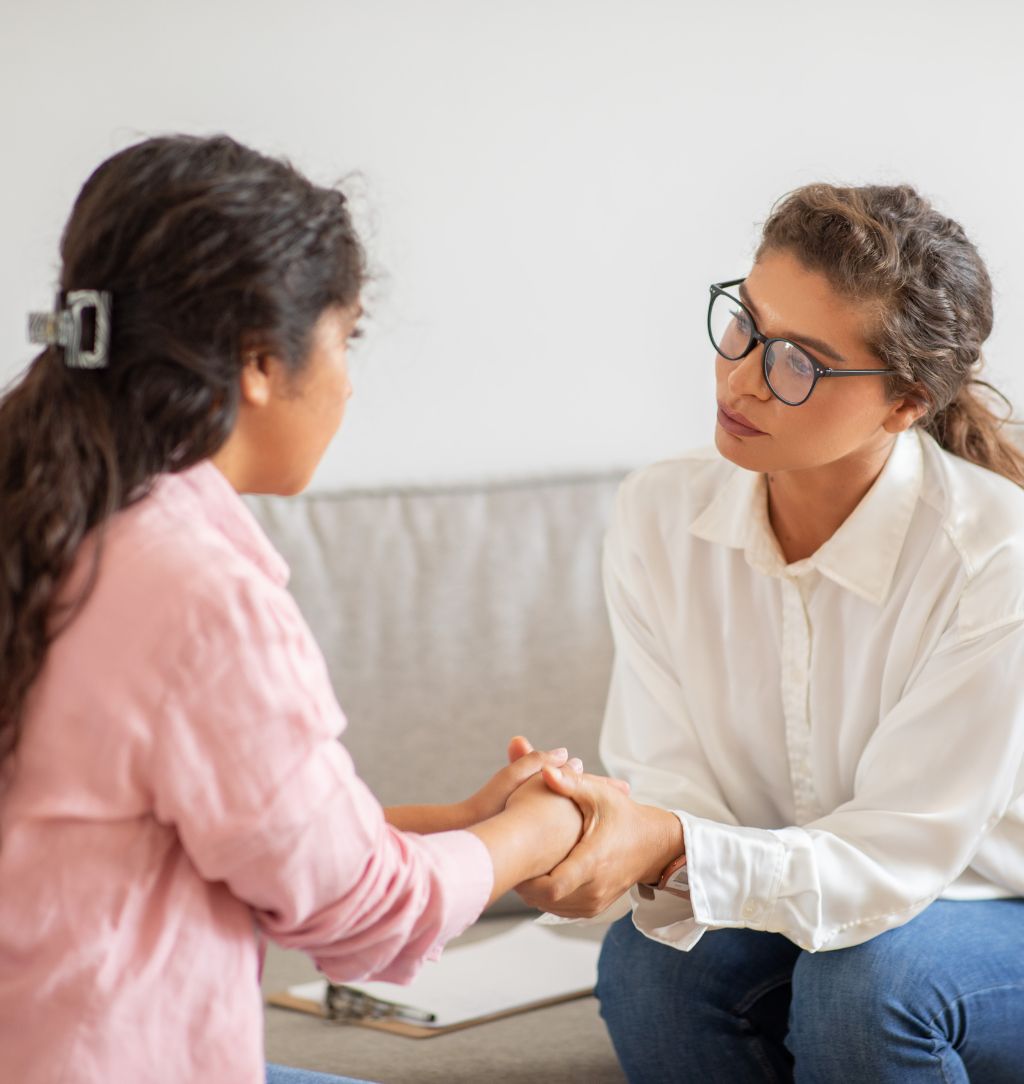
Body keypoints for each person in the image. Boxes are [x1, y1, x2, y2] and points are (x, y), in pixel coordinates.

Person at [0, 134, 594, 1084]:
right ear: (260, 362)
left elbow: (180, 838)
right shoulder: (196, 593)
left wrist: (451, 824)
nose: (350, 383)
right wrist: (543, 834)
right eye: (344, 339)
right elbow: (363, 916)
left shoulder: (44, 514)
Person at [516, 184, 1024, 1082]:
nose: (742, 376)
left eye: (799, 362)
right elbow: (672, 783)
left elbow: (896, 859)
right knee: (651, 964)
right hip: (824, 902)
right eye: (744, 324)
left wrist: (671, 847)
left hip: (986, 904)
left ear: (905, 401)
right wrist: (606, 828)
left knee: (870, 986)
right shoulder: (658, 514)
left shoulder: (994, 555)